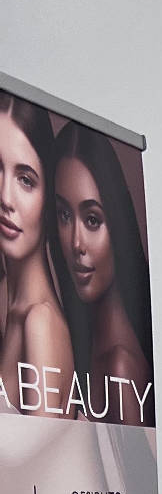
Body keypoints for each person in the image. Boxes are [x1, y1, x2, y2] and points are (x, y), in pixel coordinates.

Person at [53, 123, 155, 426]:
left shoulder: (120, 367)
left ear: (117, 223)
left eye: (92, 220)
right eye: (64, 215)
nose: (76, 243)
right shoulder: (87, 347)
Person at [0, 94, 73, 417]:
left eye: (25, 180)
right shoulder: (8, 301)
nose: (5, 197)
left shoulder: (40, 323)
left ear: (48, 198)